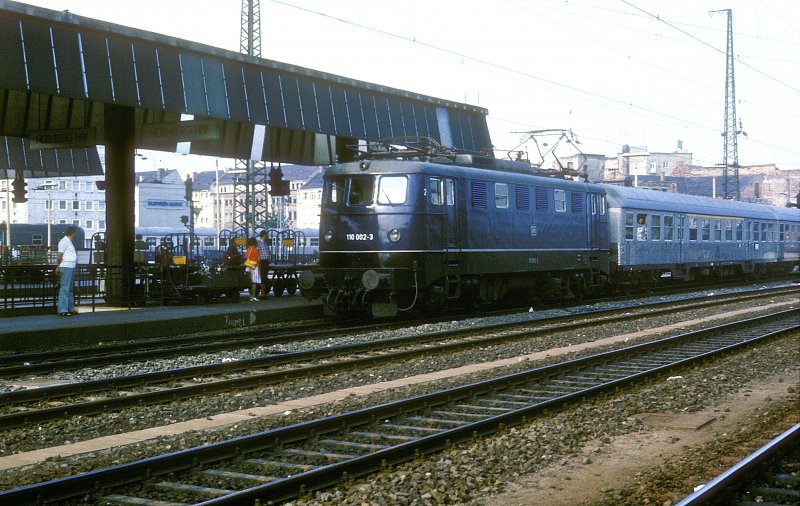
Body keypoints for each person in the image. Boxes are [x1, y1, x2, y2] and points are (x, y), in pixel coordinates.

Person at [55, 226, 78, 316]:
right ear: (73, 233)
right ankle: (63, 310)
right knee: (65, 288)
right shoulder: (64, 242)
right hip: (66, 266)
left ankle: (70, 309)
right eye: (75, 232)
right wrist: (58, 266)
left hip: (71, 266)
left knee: (69, 289)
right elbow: (59, 256)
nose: (76, 234)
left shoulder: (69, 242)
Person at [244, 237, 261, 302]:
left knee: (250, 282)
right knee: (254, 282)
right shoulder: (255, 250)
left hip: (249, 266)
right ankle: (253, 296)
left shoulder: (248, 249)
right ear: (255, 242)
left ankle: (251, 295)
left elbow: (247, 257)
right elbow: (259, 259)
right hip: (254, 267)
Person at [256, 230, 271, 298]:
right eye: (267, 235)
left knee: (264, 276)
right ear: (264, 235)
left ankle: (263, 292)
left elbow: (266, 252)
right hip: (262, 261)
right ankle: (262, 293)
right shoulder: (258, 242)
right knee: (263, 276)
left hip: (265, 261)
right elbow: (257, 251)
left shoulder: (265, 242)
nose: (268, 236)